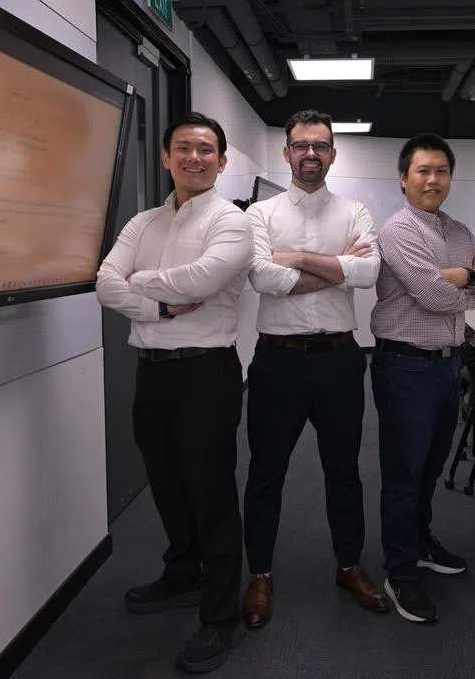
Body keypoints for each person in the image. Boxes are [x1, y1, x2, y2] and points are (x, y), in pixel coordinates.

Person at [95, 112, 253, 673]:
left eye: (206, 149)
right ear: (166, 157)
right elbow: (104, 283)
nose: (194, 157)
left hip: (206, 374)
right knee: (166, 483)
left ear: (222, 162)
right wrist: (159, 305)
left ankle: (221, 614)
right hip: (152, 374)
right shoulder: (142, 223)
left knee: (211, 492)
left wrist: (135, 284)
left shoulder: (233, 223)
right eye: (183, 148)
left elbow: (202, 280)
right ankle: (184, 574)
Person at [241, 109, 390, 629]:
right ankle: (259, 574)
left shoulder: (355, 211)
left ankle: (349, 566)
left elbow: (368, 273)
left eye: (320, 145)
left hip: (340, 362)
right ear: (286, 152)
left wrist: (298, 257)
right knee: (265, 473)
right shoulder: (259, 215)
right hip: (276, 362)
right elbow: (261, 277)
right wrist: (335, 267)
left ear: (332, 154)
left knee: (344, 471)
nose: (311, 154)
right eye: (301, 145)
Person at [369, 132, 475, 624]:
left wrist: (466, 276)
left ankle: (420, 541)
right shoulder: (398, 231)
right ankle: (400, 570)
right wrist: (469, 282)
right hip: (405, 367)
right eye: (423, 171)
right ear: (403, 179)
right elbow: (432, 296)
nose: (433, 179)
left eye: (442, 171)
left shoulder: (459, 230)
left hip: (449, 364)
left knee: (430, 467)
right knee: (404, 474)